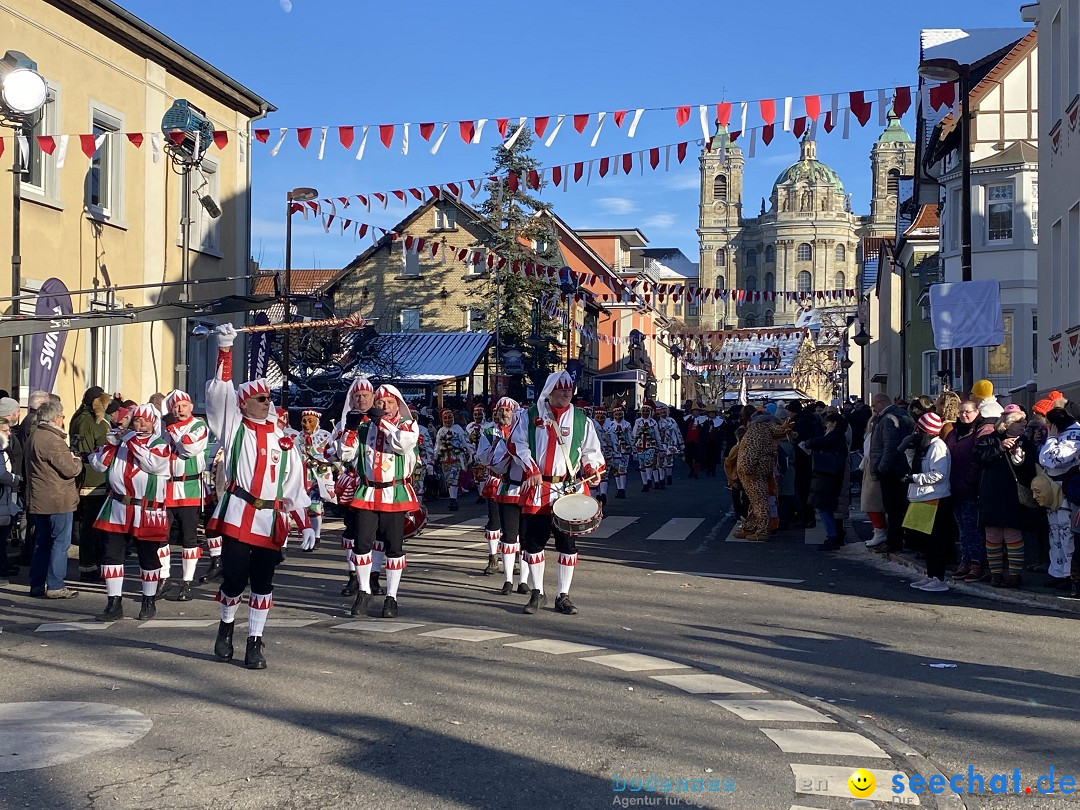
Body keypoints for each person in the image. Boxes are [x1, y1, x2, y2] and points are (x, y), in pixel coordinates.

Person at [205, 324, 314, 669]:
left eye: (269, 398)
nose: (268, 402)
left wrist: (305, 521)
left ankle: (255, 642)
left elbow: (295, 482)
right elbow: (220, 393)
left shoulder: (284, 438)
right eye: (261, 398)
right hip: (238, 513)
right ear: (245, 403)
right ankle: (225, 627)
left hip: (270, 520)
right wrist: (225, 349)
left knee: (263, 581)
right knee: (235, 578)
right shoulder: (233, 426)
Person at [493, 370, 604, 615]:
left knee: (567, 544)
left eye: (569, 390)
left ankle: (563, 595)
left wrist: (592, 468)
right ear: (550, 391)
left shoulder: (581, 420)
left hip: (568, 489)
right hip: (539, 488)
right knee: (533, 542)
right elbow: (516, 444)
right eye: (561, 389)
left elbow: (592, 451)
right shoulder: (530, 415)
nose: (566, 393)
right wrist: (531, 469)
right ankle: (537, 592)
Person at [337, 384, 420, 619]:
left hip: (394, 493)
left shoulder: (407, 425)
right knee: (361, 543)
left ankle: (391, 597)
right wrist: (350, 430)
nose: (383, 407)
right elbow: (344, 455)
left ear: (398, 405)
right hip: (367, 492)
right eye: (380, 403)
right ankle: (363, 591)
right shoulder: (366, 427)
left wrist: (380, 421)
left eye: (389, 403)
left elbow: (402, 444)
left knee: (394, 547)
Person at [90, 404, 173, 621]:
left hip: (147, 509)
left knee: (148, 556)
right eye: (137, 420)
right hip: (118, 506)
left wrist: (129, 440)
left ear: (154, 422)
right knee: (111, 555)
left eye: (145, 420)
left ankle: (148, 599)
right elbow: (99, 465)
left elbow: (153, 464)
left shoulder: (160, 445)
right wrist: (110, 445)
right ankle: (113, 602)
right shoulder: (124, 443)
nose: (141, 424)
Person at [974, 404, 1038, 587]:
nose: (1024, 424)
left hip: (1015, 496)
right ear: (1007, 424)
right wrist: (1000, 448)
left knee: (1013, 535)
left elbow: (1034, 469)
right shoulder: (991, 439)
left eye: (1024, 421)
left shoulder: (1026, 443)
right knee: (993, 535)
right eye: (1019, 421)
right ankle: (996, 574)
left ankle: (1014, 575)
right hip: (992, 494)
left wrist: (1022, 462)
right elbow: (978, 457)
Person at [25, 399, 83, 599]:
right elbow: (70, 469)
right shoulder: (52, 440)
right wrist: (77, 461)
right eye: (62, 416)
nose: (63, 420)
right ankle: (56, 585)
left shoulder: (34, 436)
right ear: (56, 418)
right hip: (57, 499)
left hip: (39, 497)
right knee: (59, 543)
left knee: (43, 542)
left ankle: (37, 583)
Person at [160, 389, 210, 602]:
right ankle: (164, 578)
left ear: (191, 407)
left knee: (189, 538)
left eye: (184, 405)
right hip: (166, 488)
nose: (180, 409)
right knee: (161, 536)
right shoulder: (164, 427)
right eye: (176, 406)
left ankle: (186, 582)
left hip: (189, 488)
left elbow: (188, 447)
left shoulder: (199, 425)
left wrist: (172, 427)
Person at [328, 377, 375, 597]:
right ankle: (353, 576)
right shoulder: (344, 424)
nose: (362, 399)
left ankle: (373, 576)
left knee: (379, 534)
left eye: (366, 395)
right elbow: (333, 450)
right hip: (354, 483)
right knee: (352, 530)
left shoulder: (380, 420)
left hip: (376, 484)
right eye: (358, 396)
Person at [476, 396, 528, 592]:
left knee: (524, 534)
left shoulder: (523, 431)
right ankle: (494, 559)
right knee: (497, 524)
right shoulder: (489, 431)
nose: (504, 413)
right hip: (499, 483)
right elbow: (485, 457)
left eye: (508, 410)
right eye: (500, 410)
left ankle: (523, 578)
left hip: (522, 488)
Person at [904, 412, 955, 592]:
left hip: (936, 498)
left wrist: (915, 478)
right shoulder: (924, 447)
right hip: (922, 497)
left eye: (919, 429)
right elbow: (915, 466)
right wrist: (910, 452)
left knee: (936, 541)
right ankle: (931, 575)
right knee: (925, 542)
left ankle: (939, 578)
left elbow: (939, 474)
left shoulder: (937, 447)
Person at [943, 399, 994, 582]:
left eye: (968, 412)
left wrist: (969, 480)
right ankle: (965, 561)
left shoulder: (979, 432)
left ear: (976, 412)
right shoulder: (954, 433)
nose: (964, 415)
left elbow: (977, 459)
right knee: (962, 529)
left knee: (972, 528)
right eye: (961, 412)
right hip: (953, 486)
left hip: (970, 488)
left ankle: (977, 564)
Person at [68, 387, 111, 582]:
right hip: (94, 479)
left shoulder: (80, 417)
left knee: (92, 526)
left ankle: (93, 563)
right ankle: (88, 567)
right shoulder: (90, 421)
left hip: (94, 477)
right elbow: (90, 449)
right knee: (92, 526)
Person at [1039, 404, 1080, 597]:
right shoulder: (1060, 433)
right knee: (1054, 533)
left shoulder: (1074, 434)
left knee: (1065, 534)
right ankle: (1057, 571)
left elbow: (1052, 459)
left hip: (1065, 489)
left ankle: (1068, 574)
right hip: (1053, 488)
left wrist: (1052, 439)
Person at [867, 393, 915, 554]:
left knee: (892, 507)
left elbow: (890, 446)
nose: (874, 409)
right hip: (899, 468)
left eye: (874, 405)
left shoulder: (889, 419)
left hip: (891, 470)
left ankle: (894, 541)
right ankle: (901, 539)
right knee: (898, 506)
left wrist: (882, 467)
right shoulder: (902, 414)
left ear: (881, 403)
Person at [803, 412, 850, 551]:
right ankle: (834, 535)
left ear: (834, 423)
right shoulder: (839, 437)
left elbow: (817, 442)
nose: (826, 425)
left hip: (827, 477)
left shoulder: (834, 437)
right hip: (831, 476)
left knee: (824, 507)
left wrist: (808, 442)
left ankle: (832, 536)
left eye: (828, 422)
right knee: (826, 507)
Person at [297, 409, 336, 551]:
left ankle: (316, 535)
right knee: (301, 505)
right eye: (304, 421)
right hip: (301, 476)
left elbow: (334, 454)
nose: (306, 424)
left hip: (318, 476)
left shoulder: (326, 436)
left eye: (310, 421)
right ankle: (306, 532)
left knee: (315, 505)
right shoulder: (296, 438)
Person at [434, 408, 473, 511]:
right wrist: (434, 457)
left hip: (456, 457)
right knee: (448, 480)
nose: (448, 420)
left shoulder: (458, 429)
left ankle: (453, 500)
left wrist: (471, 453)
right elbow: (437, 445)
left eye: (450, 417)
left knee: (453, 478)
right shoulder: (440, 431)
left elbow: (465, 441)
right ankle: (453, 498)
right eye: (445, 418)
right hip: (445, 458)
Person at [0, 419, 22, 584]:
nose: (9, 433)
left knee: (4, 533)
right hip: (2, 495)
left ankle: (4, 565)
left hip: (5, 497)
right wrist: (16, 479)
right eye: (6, 430)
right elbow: (1, 474)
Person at [632, 402, 663, 492]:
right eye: (643, 411)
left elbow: (657, 435)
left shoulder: (653, 422)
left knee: (648, 462)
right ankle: (645, 483)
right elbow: (634, 434)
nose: (645, 413)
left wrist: (660, 447)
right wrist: (633, 445)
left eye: (647, 411)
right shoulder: (638, 421)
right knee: (642, 465)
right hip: (640, 445)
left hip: (651, 445)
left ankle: (649, 479)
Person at [591, 405, 615, 506]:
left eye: (602, 418)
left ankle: (602, 494)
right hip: (594, 456)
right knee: (594, 476)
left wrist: (616, 454)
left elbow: (614, 441)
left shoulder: (609, 427)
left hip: (606, 454)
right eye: (598, 417)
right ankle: (597, 495)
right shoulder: (592, 426)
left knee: (604, 475)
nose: (600, 419)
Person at [655, 404, 684, 487]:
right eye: (661, 412)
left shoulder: (672, 421)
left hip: (670, 444)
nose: (663, 413)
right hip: (660, 444)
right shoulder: (656, 422)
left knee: (669, 462)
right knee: (660, 462)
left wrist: (681, 444)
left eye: (664, 411)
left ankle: (669, 476)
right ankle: (661, 479)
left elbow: (678, 432)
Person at [608, 405, 633, 498]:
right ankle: (619, 488)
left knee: (622, 469)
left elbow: (630, 437)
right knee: (616, 471)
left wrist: (633, 449)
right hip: (614, 450)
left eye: (620, 414)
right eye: (616, 414)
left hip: (624, 449)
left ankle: (622, 489)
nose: (618, 416)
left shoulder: (627, 424)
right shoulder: (610, 424)